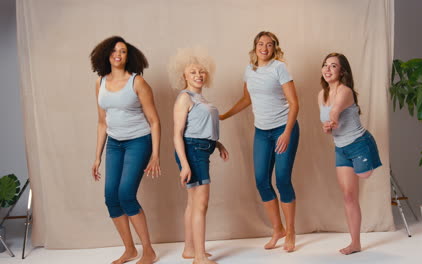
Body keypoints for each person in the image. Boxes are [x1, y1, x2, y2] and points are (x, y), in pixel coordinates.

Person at [220, 31, 299, 252]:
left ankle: (291, 231)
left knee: (282, 179)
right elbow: (247, 99)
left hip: (284, 128)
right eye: (260, 44)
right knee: (261, 181)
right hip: (262, 132)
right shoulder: (249, 70)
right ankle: (278, 230)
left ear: (275, 48)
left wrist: (287, 133)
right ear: (255, 47)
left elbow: (294, 103)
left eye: (269, 44)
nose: (264, 48)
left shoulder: (279, 68)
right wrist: (225, 115)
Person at [90, 36, 161, 264]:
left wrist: (155, 155)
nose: (118, 55)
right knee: (111, 197)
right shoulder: (100, 83)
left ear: (128, 56)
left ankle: (148, 251)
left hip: (138, 141)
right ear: (106, 55)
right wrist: (97, 157)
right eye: (114, 51)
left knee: (126, 195)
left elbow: (155, 121)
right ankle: (130, 249)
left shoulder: (137, 82)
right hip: (114, 143)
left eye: (122, 51)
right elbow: (102, 122)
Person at [169, 48, 229, 264]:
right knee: (201, 204)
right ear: (184, 75)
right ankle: (200, 257)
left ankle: (189, 249)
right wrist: (185, 164)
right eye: (193, 72)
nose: (198, 75)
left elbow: (200, 127)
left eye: (202, 72)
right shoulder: (184, 98)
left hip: (201, 149)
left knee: (193, 203)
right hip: (192, 153)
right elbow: (177, 135)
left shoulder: (199, 97)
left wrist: (217, 144)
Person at [318, 52, 382, 255]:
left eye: (333, 66)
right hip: (341, 148)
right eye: (325, 65)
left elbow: (335, 111)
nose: (328, 69)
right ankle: (355, 243)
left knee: (365, 174)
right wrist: (327, 127)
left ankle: (372, 155)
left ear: (342, 71)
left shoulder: (345, 91)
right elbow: (326, 120)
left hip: (359, 143)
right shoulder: (321, 94)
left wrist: (333, 120)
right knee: (348, 196)